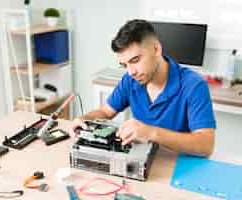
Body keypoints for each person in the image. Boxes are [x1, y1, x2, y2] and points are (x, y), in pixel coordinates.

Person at [69, 19, 216, 157]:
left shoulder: (194, 85)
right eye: (125, 65)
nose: (131, 72)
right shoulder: (130, 80)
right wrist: (85, 119)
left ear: (156, 49)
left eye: (135, 60)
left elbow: (206, 145)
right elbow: (105, 112)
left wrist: (152, 133)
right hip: (140, 159)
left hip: (176, 165)